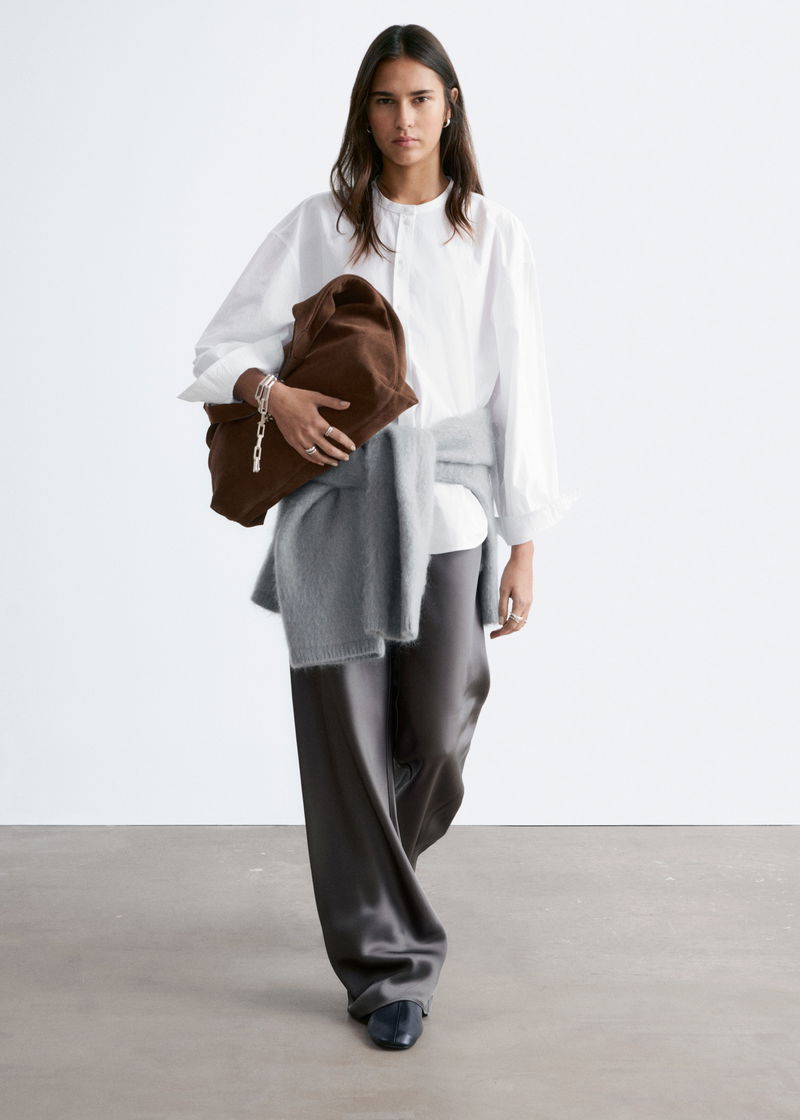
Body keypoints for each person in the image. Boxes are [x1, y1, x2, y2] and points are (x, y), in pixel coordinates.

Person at [177, 24, 578, 1050]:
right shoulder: (320, 225)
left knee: (439, 730)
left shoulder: (493, 235)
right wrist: (274, 393)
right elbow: (220, 347)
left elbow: (522, 391)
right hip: (338, 508)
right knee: (344, 744)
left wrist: (525, 539)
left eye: (420, 99)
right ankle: (387, 970)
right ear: (365, 112)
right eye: (385, 100)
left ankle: (363, 875)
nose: (403, 120)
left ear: (451, 108)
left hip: (451, 510)